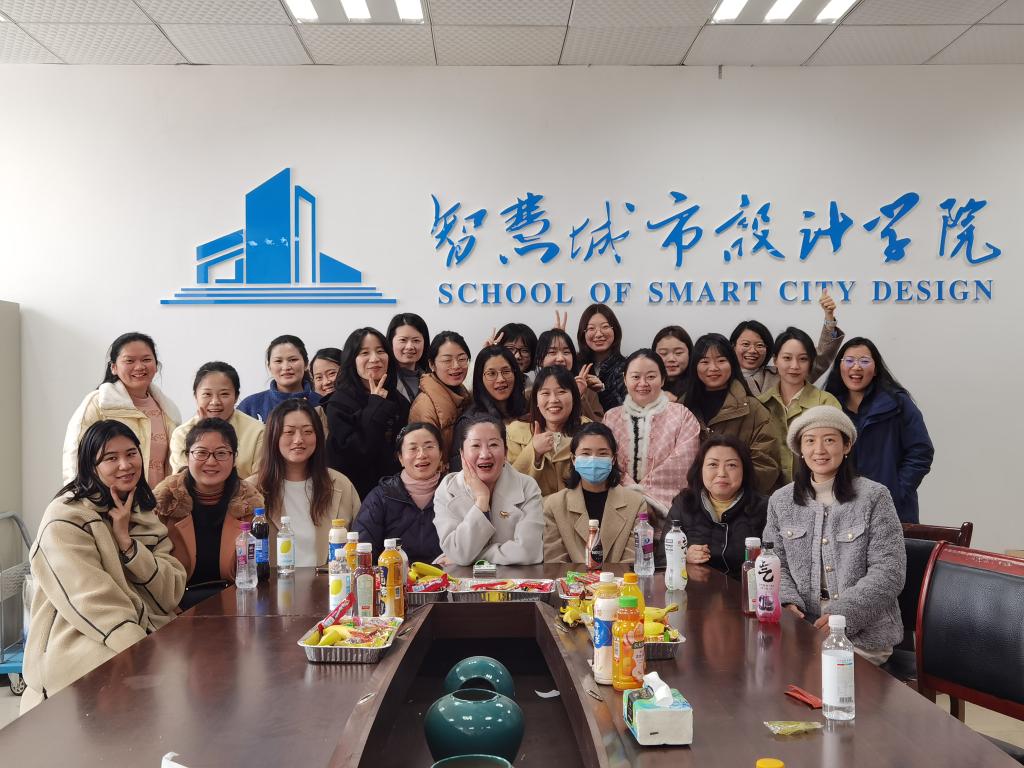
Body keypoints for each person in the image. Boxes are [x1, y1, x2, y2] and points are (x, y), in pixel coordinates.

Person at [22, 420, 186, 712]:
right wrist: (141, 651)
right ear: (90, 465)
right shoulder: (66, 517)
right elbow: (93, 600)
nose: (125, 465)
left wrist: (127, 544)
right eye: (111, 458)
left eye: (131, 453)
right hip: (80, 640)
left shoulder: (142, 510)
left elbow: (170, 592)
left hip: (142, 632)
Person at [763, 406, 906, 664]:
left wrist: (843, 616)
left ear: (846, 445)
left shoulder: (874, 496)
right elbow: (775, 561)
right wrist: (787, 602)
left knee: (820, 675)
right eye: (810, 441)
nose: (819, 450)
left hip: (863, 637)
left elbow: (889, 571)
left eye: (829, 440)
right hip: (801, 631)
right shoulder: (781, 500)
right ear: (800, 449)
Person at [153, 418, 264, 609]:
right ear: (187, 456)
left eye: (221, 453)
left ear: (234, 458)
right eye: (201, 453)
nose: (211, 461)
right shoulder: (163, 502)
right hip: (173, 610)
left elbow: (258, 571)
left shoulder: (250, 504)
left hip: (238, 606)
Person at [824, 337, 934, 524]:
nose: (856, 367)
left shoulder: (897, 403)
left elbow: (921, 451)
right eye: (849, 360)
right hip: (840, 508)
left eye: (864, 361)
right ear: (839, 366)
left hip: (893, 509)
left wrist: (896, 491)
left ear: (875, 369)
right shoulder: (829, 406)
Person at [249, 399, 359, 566]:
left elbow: (359, 544)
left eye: (308, 431)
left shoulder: (341, 484)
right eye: (289, 432)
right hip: (272, 582)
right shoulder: (251, 489)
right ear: (273, 436)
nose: (299, 439)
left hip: (331, 581)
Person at [63, 332, 180, 485]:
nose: (139, 366)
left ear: (156, 365)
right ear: (113, 367)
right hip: (109, 498)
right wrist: (83, 497)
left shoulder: (169, 410)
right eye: (129, 360)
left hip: (156, 499)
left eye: (146, 359)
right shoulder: (99, 403)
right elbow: (75, 458)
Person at [433, 415, 544, 566]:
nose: (485, 454)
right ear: (462, 453)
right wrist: (481, 499)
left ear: (505, 452)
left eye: (493, 445)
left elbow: (528, 552)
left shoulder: (527, 486)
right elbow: (458, 552)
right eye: (476, 445)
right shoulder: (447, 489)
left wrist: (470, 559)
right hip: (460, 578)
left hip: (514, 578)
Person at [603, 349, 701, 517]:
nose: (643, 383)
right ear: (625, 379)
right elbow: (606, 461)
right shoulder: (611, 417)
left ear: (662, 379)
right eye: (635, 377)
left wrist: (645, 498)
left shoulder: (682, 415)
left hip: (669, 509)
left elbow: (683, 463)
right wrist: (631, 494)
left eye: (650, 376)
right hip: (620, 506)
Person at [683, 333, 782, 494]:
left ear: (732, 363)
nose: (713, 368)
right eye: (704, 362)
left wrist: (726, 493)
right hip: (691, 500)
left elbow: (766, 465)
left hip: (741, 503)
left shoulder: (754, 409)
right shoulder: (682, 408)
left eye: (721, 361)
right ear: (694, 366)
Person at [324, 327, 410, 500]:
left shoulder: (399, 400)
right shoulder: (338, 403)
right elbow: (357, 452)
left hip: (395, 495)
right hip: (353, 496)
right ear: (352, 360)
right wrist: (376, 404)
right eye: (364, 353)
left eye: (380, 351)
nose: (374, 358)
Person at [543, 422, 646, 563]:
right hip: (571, 578)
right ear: (573, 459)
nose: (593, 459)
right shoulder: (554, 505)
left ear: (613, 459)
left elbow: (633, 560)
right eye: (586, 453)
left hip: (620, 577)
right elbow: (555, 562)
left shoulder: (636, 503)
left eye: (602, 454)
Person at [667, 434, 768, 574]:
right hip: (695, 587)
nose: (721, 473)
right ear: (700, 469)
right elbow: (662, 559)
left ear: (744, 470)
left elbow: (777, 561)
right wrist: (683, 557)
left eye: (731, 465)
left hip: (746, 587)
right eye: (713, 464)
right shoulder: (684, 504)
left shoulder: (765, 508)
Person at [757, 328, 842, 483]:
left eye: (803, 359)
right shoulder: (760, 405)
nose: (795, 366)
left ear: (811, 363)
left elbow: (836, 452)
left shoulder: (826, 404)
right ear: (775, 360)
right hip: (767, 494)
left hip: (815, 490)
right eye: (787, 358)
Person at [354, 422, 444, 564]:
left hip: (447, 576)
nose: (422, 454)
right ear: (400, 458)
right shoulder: (380, 497)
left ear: (441, 453)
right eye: (413, 448)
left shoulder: (455, 493)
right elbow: (363, 551)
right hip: (393, 576)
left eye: (429, 447)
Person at [731, 291, 844, 396]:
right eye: (745, 344)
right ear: (733, 346)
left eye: (759, 345)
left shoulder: (783, 373)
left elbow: (821, 358)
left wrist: (829, 318)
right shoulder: (724, 376)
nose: (752, 350)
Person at [170, 361, 265, 479]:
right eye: (207, 394)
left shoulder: (258, 431)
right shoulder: (182, 434)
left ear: (236, 397)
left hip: (245, 491)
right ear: (196, 396)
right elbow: (181, 479)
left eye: (224, 394)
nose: (215, 402)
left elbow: (260, 476)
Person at [507, 366, 587, 497]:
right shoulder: (515, 431)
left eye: (561, 392)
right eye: (545, 393)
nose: (553, 400)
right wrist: (534, 451)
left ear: (574, 397)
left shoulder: (589, 431)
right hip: (530, 508)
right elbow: (508, 485)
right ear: (536, 400)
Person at [450, 347, 529, 471]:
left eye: (506, 371)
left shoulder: (527, 409)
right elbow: (460, 472)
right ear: (479, 379)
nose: (501, 379)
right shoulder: (470, 422)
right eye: (491, 374)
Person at [409, 331, 472, 460]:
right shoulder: (425, 406)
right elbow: (426, 458)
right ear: (432, 364)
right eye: (447, 360)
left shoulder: (463, 394)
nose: (456, 366)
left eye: (462, 359)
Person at [237, 334, 320, 422]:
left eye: (293, 360)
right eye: (278, 361)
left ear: (306, 364)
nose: (286, 367)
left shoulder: (321, 404)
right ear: (269, 367)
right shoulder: (250, 406)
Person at [533, 328, 604, 422]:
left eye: (566, 352)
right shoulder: (531, 392)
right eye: (552, 352)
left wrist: (578, 396)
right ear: (539, 360)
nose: (560, 358)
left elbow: (599, 426)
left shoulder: (587, 391)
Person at [576, 303, 627, 411]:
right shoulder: (575, 364)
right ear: (583, 333)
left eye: (605, 327)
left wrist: (603, 390)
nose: (598, 334)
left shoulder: (627, 367)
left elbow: (628, 409)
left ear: (615, 330)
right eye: (591, 328)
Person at [387, 312, 431, 403]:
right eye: (403, 340)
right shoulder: (381, 379)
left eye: (416, 340)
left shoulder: (433, 379)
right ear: (391, 342)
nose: (410, 346)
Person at [652, 325, 693, 403]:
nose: (671, 359)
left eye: (678, 353)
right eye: (663, 353)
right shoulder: (644, 384)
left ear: (689, 354)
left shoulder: (699, 386)